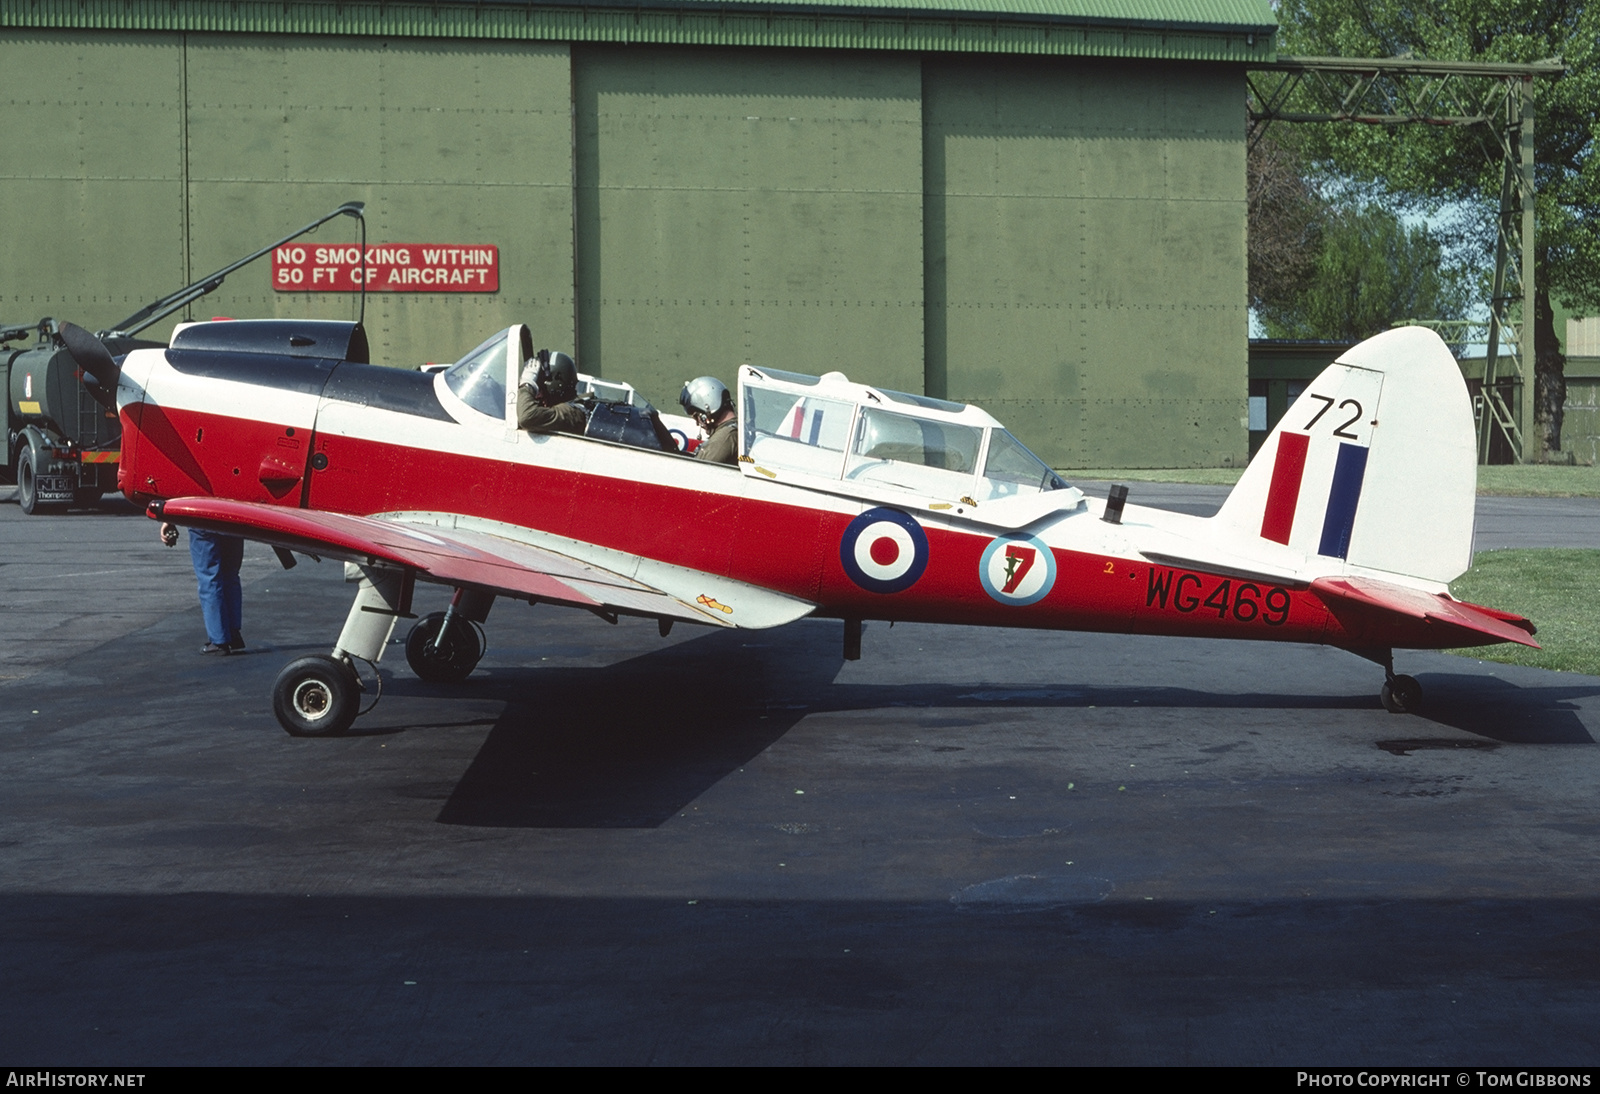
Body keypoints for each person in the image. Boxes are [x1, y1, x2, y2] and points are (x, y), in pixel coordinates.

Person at [161, 522, 244, 655]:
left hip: (203, 519)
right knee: (230, 574)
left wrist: (168, 521)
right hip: (232, 516)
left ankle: (219, 639)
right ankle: (233, 632)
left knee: (209, 577)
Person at [516, 349, 587, 434]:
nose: (537, 395)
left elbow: (526, 417)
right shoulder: (573, 405)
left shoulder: (571, 414)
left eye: (539, 388)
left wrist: (527, 385)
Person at [679, 376, 738, 465]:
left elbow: (698, 473)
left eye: (696, 417)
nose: (697, 423)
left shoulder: (724, 438)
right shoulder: (734, 431)